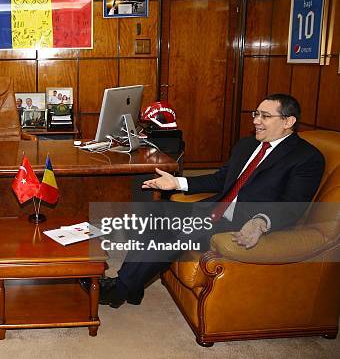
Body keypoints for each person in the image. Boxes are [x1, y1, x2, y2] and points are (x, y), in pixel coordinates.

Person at [97, 93, 325, 308]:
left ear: (288, 121)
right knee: (152, 211)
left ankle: (120, 289)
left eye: (265, 116)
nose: (257, 121)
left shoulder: (306, 158)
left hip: (239, 222)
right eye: (256, 114)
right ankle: (133, 285)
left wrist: (261, 221)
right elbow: (221, 179)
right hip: (215, 208)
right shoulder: (247, 145)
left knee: (172, 232)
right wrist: (177, 184)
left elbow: (293, 205)